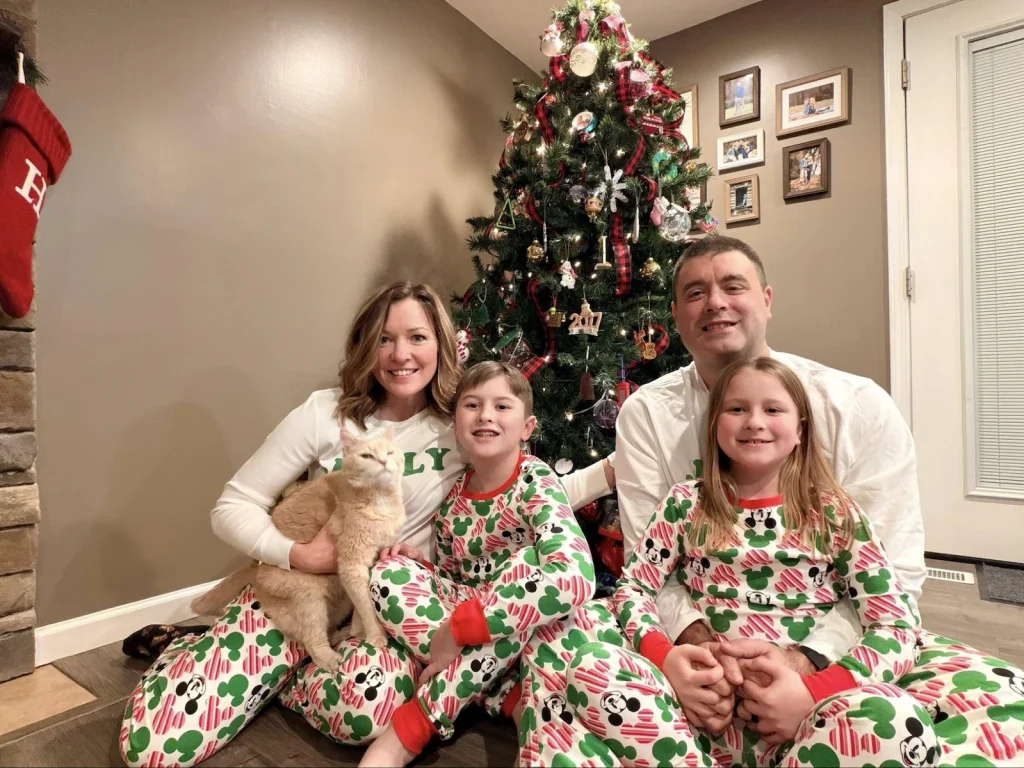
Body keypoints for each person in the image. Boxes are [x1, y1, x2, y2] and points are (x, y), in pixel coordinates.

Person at [117, 282, 612, 767]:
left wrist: (611, 472)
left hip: (379, 610)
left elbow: (522, 489)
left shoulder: (459, 423)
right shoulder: (324, 414)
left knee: (368, 715)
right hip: (299, 592)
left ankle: (281, 680)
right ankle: (204, 650)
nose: (401, 354)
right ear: (365, 346)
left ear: (440, 345)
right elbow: (232, 506)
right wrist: (299, 555)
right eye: (384, 338)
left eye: (417, 337)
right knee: (154, 749)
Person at [609, 235, 1024, 765]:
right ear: (675, 315)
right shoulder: (646, 416)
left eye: (733, 285)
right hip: (701, 651)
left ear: (767, 300)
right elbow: (649, 574)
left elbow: (894, 588)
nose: (714, 302)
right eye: (695, 292)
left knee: (998, 707)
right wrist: (705, 660)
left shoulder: (860, 408)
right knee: (568, 657)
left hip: (833, 646)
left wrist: (804, 669)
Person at [563, 356, 933, 766]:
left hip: (806, 716)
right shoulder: (685, 504)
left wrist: (812, 691)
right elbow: (635, 588)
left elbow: (896, 623)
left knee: (896, 719)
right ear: (714, 425)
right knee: (588, 666)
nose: (754, 421)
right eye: (737, 409)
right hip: (691, 712)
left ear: (800, 431)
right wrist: (667, 660)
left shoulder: (835, 513)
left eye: (773, 410)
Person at [360, 361, 595, 767]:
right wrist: (424, 569)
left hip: (539, 629)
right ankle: (506, 694)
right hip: (481, 632)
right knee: (387, 572)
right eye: (472, 405)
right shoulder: (453, 502)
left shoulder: (536, 480)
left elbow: (574, 577)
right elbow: (453, 583)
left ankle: (413, 728)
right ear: (456, 423)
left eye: (502, 406)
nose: (486, 415)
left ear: (527, 427)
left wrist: (463, 626)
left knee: (526, 570)